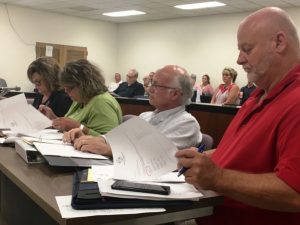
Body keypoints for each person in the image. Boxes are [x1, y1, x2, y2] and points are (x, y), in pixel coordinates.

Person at [176, 7, 300, 225]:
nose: (239, 59)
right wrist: (203, 157)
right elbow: (242, 152)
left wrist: (218, 178)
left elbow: (294, 193)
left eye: (247, 49)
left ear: (279, 43)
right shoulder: (259, 95)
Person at [63, 65, 202, 156]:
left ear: (175, 94)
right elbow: (117, 137)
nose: (149, 89)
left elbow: (155, 155)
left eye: (156, 85)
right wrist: (90, 137)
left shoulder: (186, 123)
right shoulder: (146, 116)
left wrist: (109, 149)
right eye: (151, 83)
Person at [40, 59, 122, 136]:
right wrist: (54, 119)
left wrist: (79, 127)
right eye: (65, 87)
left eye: (70, 87)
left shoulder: (102, 102)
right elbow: (70, 125)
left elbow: (110, 142)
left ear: (86, 84)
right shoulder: (80, 100)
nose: (66, 91)